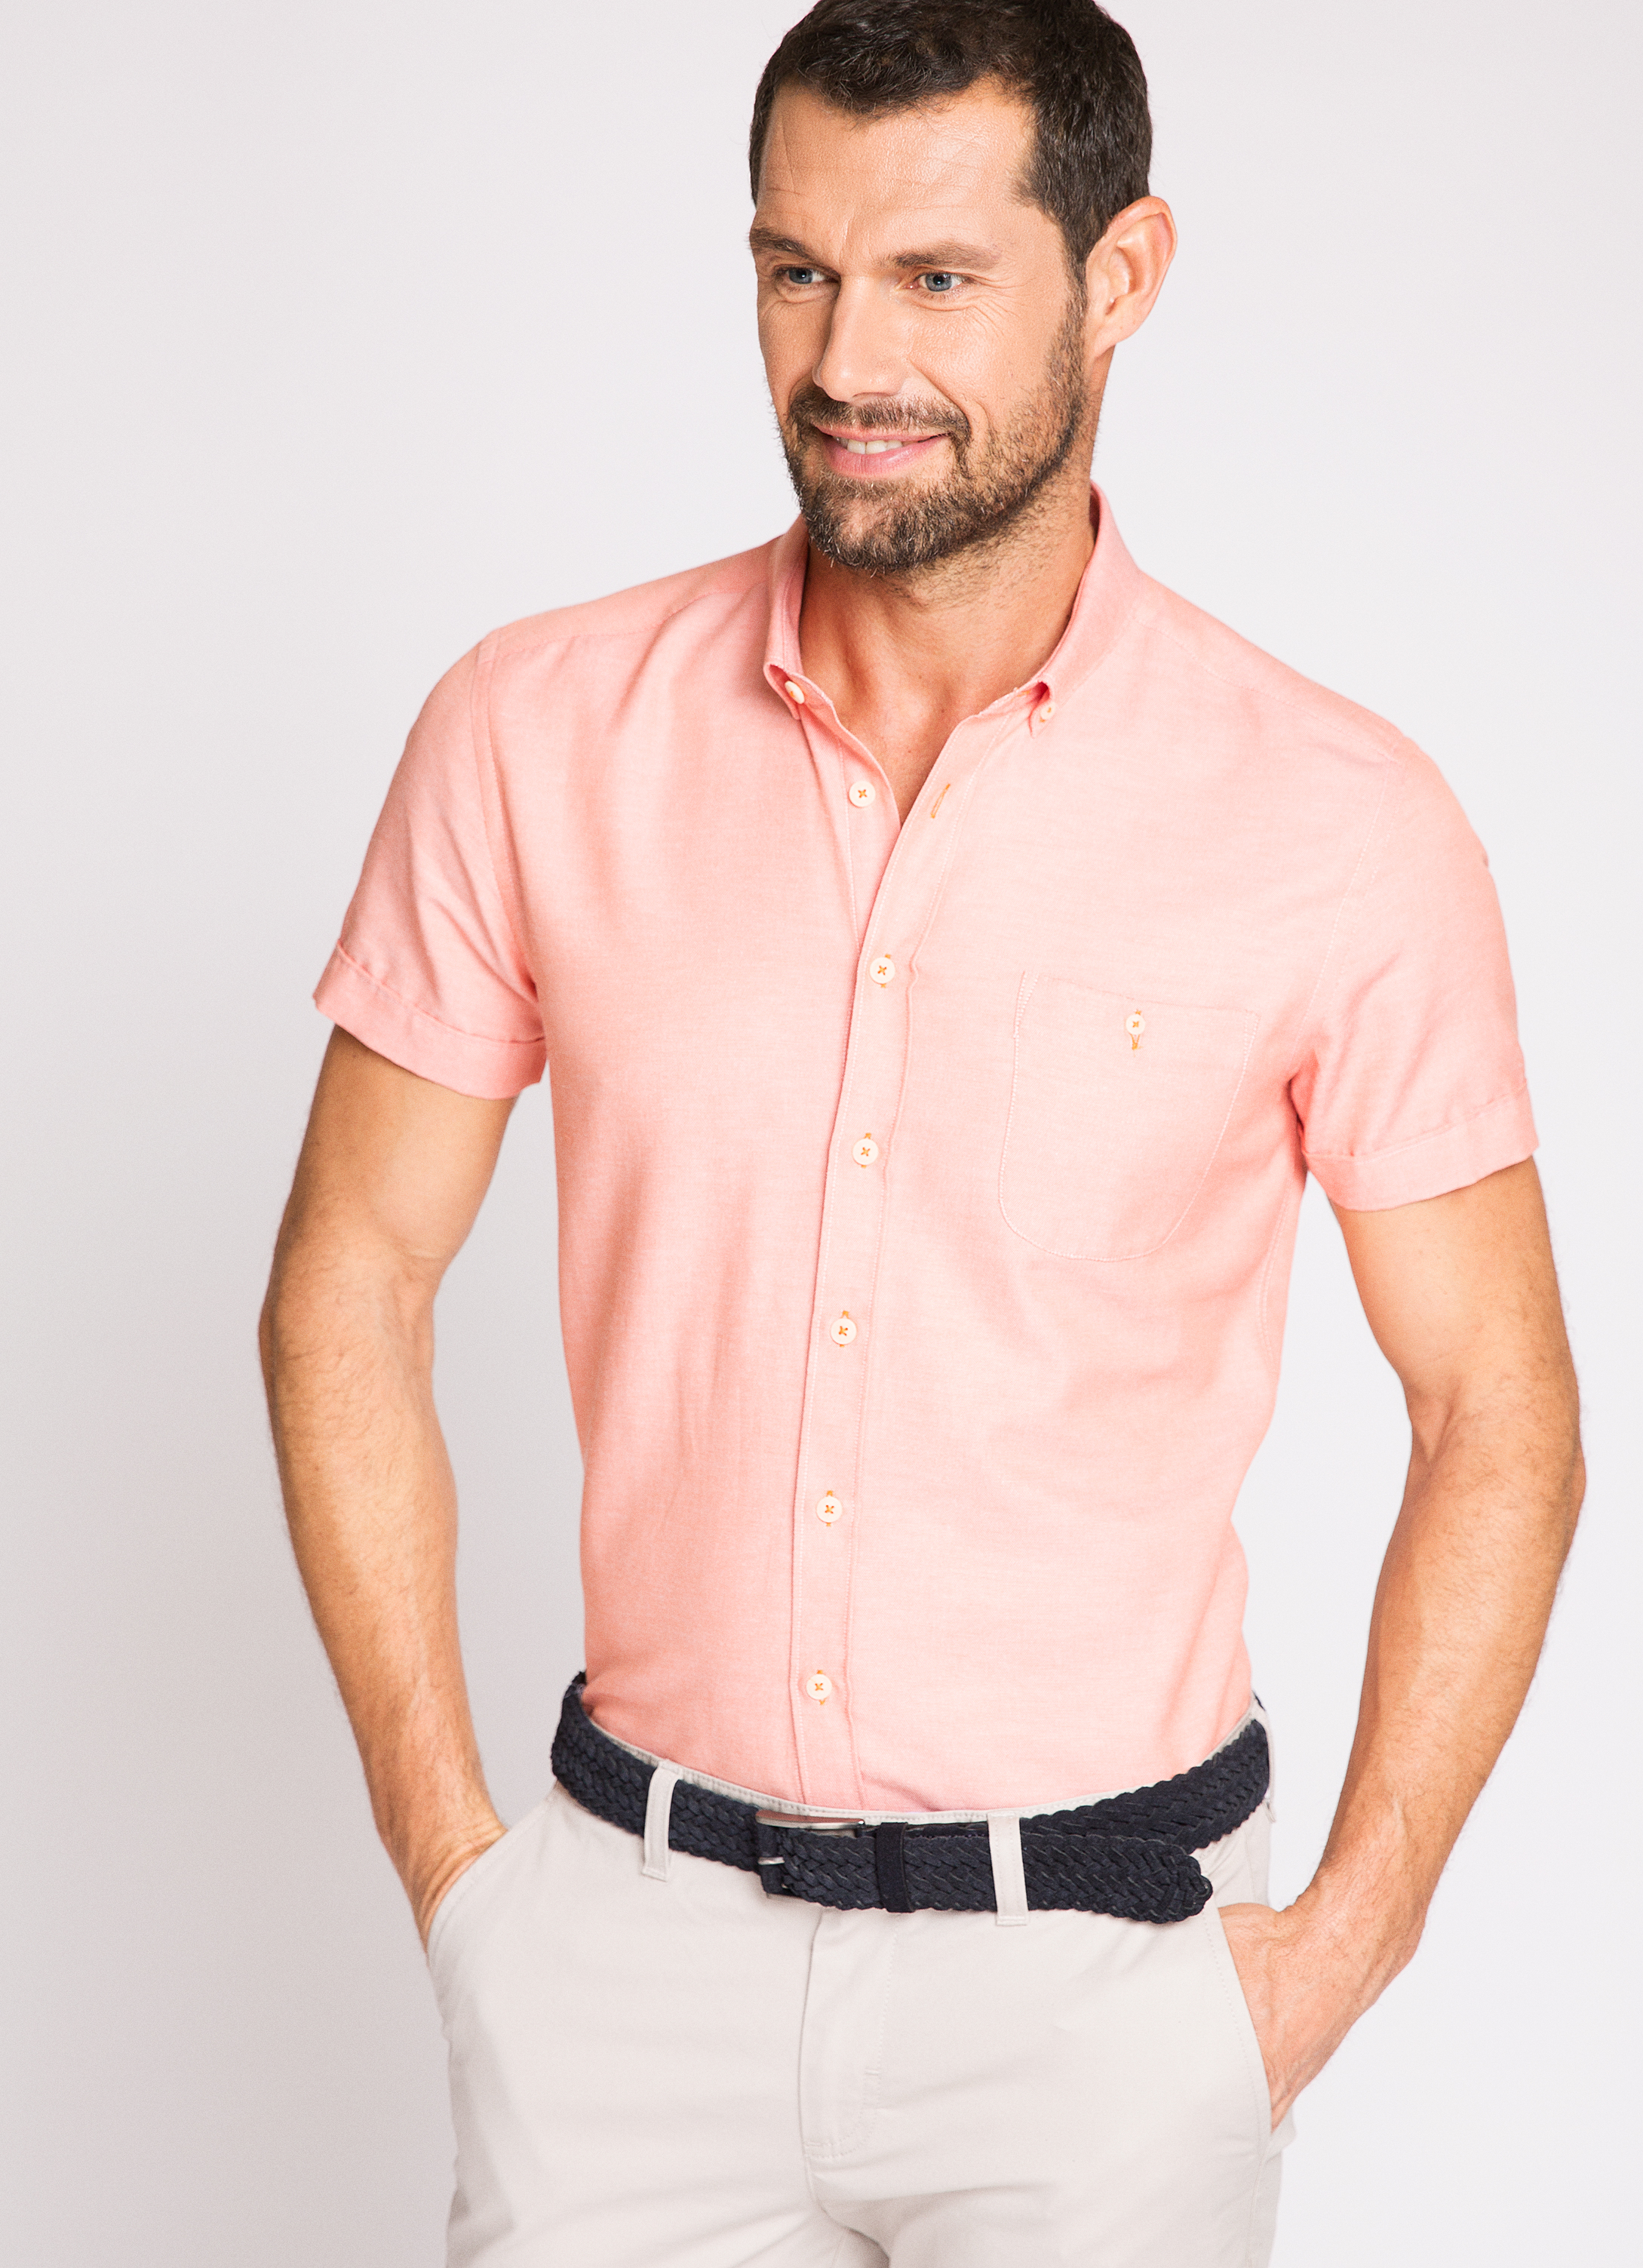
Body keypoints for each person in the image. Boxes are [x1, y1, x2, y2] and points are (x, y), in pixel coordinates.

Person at [260, 4, 1583, 2260]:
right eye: (796, 270)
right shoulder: (530, 733)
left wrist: (1332, 1953)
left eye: (936, 279)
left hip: (1105, 1996)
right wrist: (456, 1868)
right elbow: (350, 1279)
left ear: (1119, 275)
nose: (848, 359)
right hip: (620, 1976)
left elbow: (1499, 1411)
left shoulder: (1341, 827)